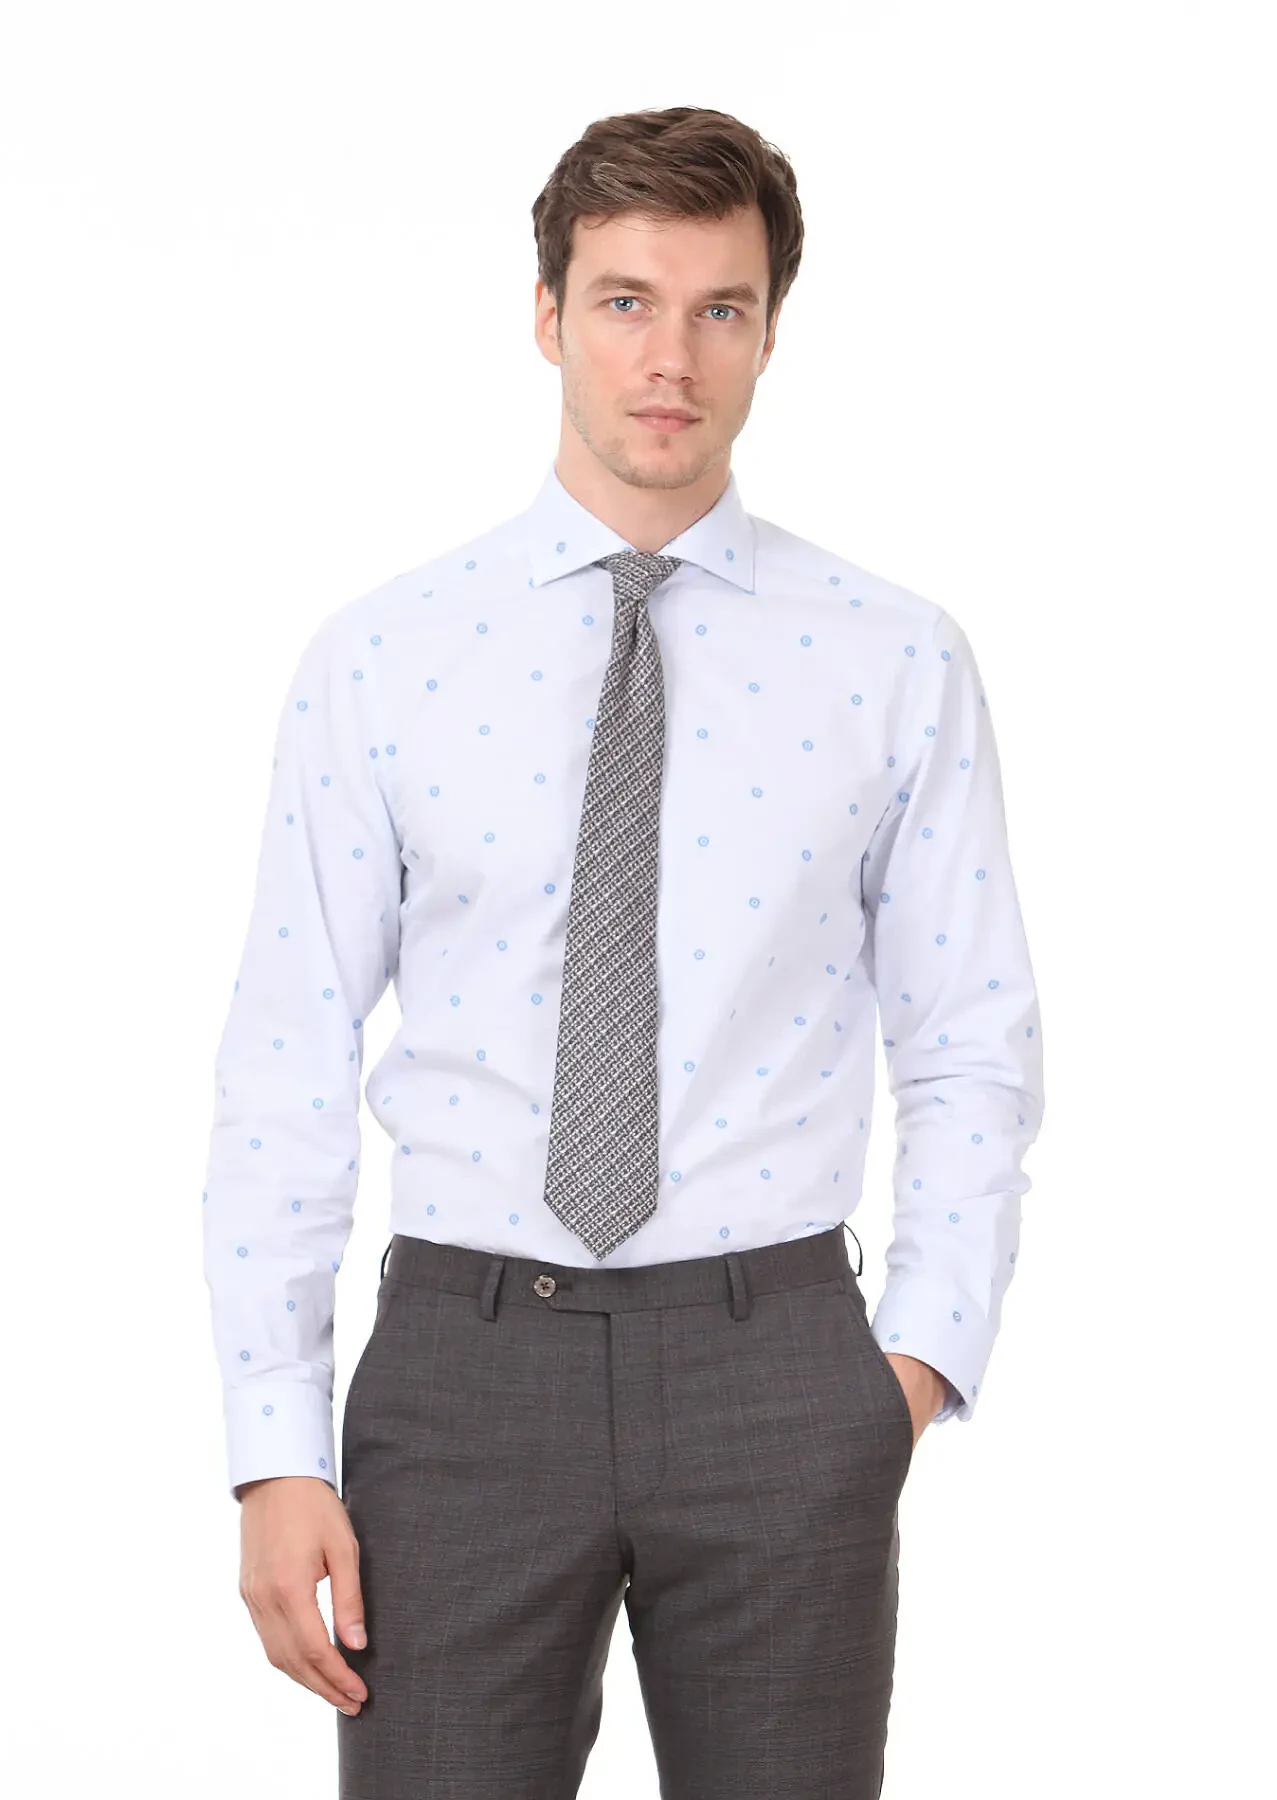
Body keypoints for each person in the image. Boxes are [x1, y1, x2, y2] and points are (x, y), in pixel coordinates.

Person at [202, 103, 1044, 1800]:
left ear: (771, 332)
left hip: (780, 1368)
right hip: (462, 1377)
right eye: (626, 302)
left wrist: (909, 1371)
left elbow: (972, 1038)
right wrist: (274, 1450)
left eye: (721, 308)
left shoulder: (893, 658)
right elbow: (288, 1058)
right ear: (548, 314)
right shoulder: (384, 659)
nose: (672, 358)